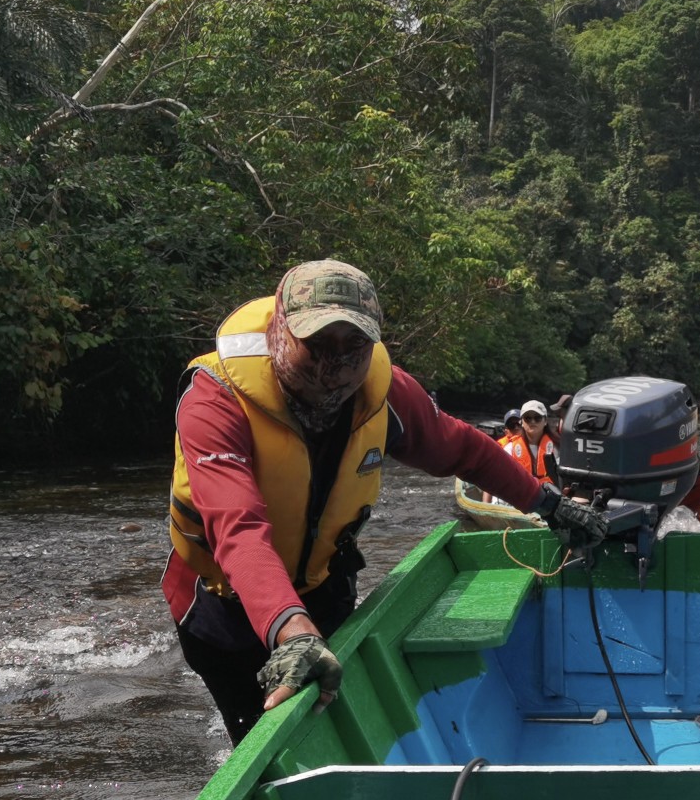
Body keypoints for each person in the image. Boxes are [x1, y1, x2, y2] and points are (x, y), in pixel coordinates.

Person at [164, 260, 608, 741]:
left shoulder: (385, 391)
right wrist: (293, 633)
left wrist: (550, 505)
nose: (334, 368)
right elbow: (238, 527)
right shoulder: (215, 399)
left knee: (325, 722)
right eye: (315, 345)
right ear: (278, 332)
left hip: (324, 589)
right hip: (219, 609)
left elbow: (463, 449)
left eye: (352, 347)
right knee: (253, 735)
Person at [508, 398, 561, 485]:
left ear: (545, 421)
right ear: (521, 422)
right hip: (520, 494)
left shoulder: (558, 447)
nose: (532, 422)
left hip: (550, 495)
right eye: (528, 418)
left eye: (537, 418)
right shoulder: (510, 448)